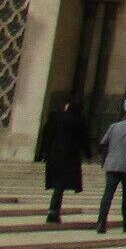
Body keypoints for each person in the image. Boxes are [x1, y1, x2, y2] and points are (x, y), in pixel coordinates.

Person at [94, 108, 126, 234]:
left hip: (111, 165)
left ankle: (101, 220)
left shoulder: (114, 126)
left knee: (108, 194)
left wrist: (104, 159)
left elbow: (103, 143)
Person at [39, 95, 86, 225]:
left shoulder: (56, 118)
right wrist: (88, 154)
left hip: (54, 156)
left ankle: (54, 211)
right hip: (69, 158)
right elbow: (83, 139)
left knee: (58, 184)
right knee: (60, 185)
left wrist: (42, 153)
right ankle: (53, 211)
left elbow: (47, 135)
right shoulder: (78, 120)